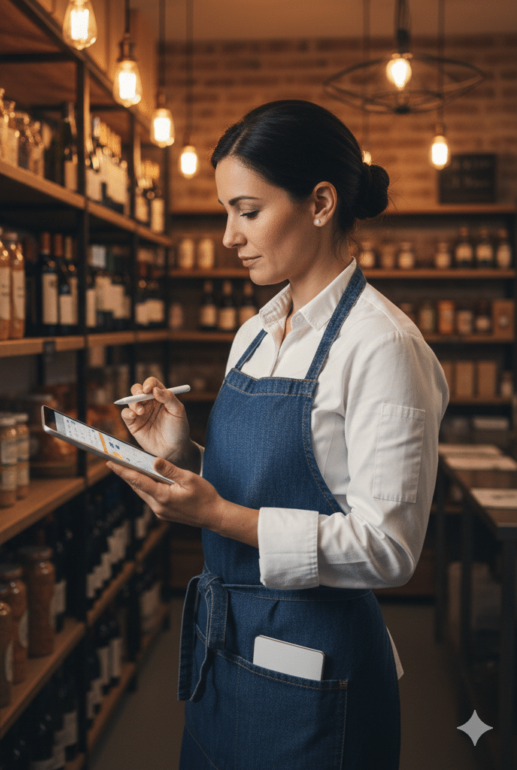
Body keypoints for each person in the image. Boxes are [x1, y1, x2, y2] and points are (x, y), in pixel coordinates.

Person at [107, 100, 448, 770]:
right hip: (223, 651)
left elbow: (388, 549)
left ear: (320, 203)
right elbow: (266, 485)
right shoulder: (255, 331)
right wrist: (181, 454)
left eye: (248, 210)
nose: (230, 235)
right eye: (226, 212)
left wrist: (217, 515)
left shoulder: (383, 347)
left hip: (317, 670)